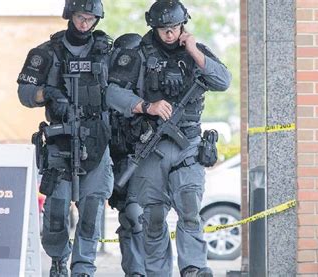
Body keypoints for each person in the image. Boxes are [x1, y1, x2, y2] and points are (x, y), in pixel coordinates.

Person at [105, 0, 231, 276]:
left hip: (188, 145)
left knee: (189, 210)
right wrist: (146, 106)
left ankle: (194, 268)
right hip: (151, 148)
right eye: (164, 29)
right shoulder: (137, 54)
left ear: (183, 25)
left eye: (174, 27)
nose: (170, 33)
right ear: (154, 27)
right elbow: (112, 94)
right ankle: (158, 272)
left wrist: (195, 51)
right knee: (153, 218)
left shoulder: (194, 51)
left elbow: (223, 81)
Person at [17, 0, 113, 276]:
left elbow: (125, 88)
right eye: (81, 17)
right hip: (60, 139)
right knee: (56, 211)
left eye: (91, 18)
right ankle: (58, 259)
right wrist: (48, 94)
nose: (85, 23)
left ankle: (83, 267)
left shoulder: (107, 51)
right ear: (70, 16)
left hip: (96, 139)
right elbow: (25, 95)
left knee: (92, 209)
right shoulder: (46, 53)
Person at [108, 33, 146, 277]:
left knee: (137, 217)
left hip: (141, 163)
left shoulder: (147, 91)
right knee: (127, 219)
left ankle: (142, 271)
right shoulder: (111, 88)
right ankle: (134, 271)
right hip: (116, 163)